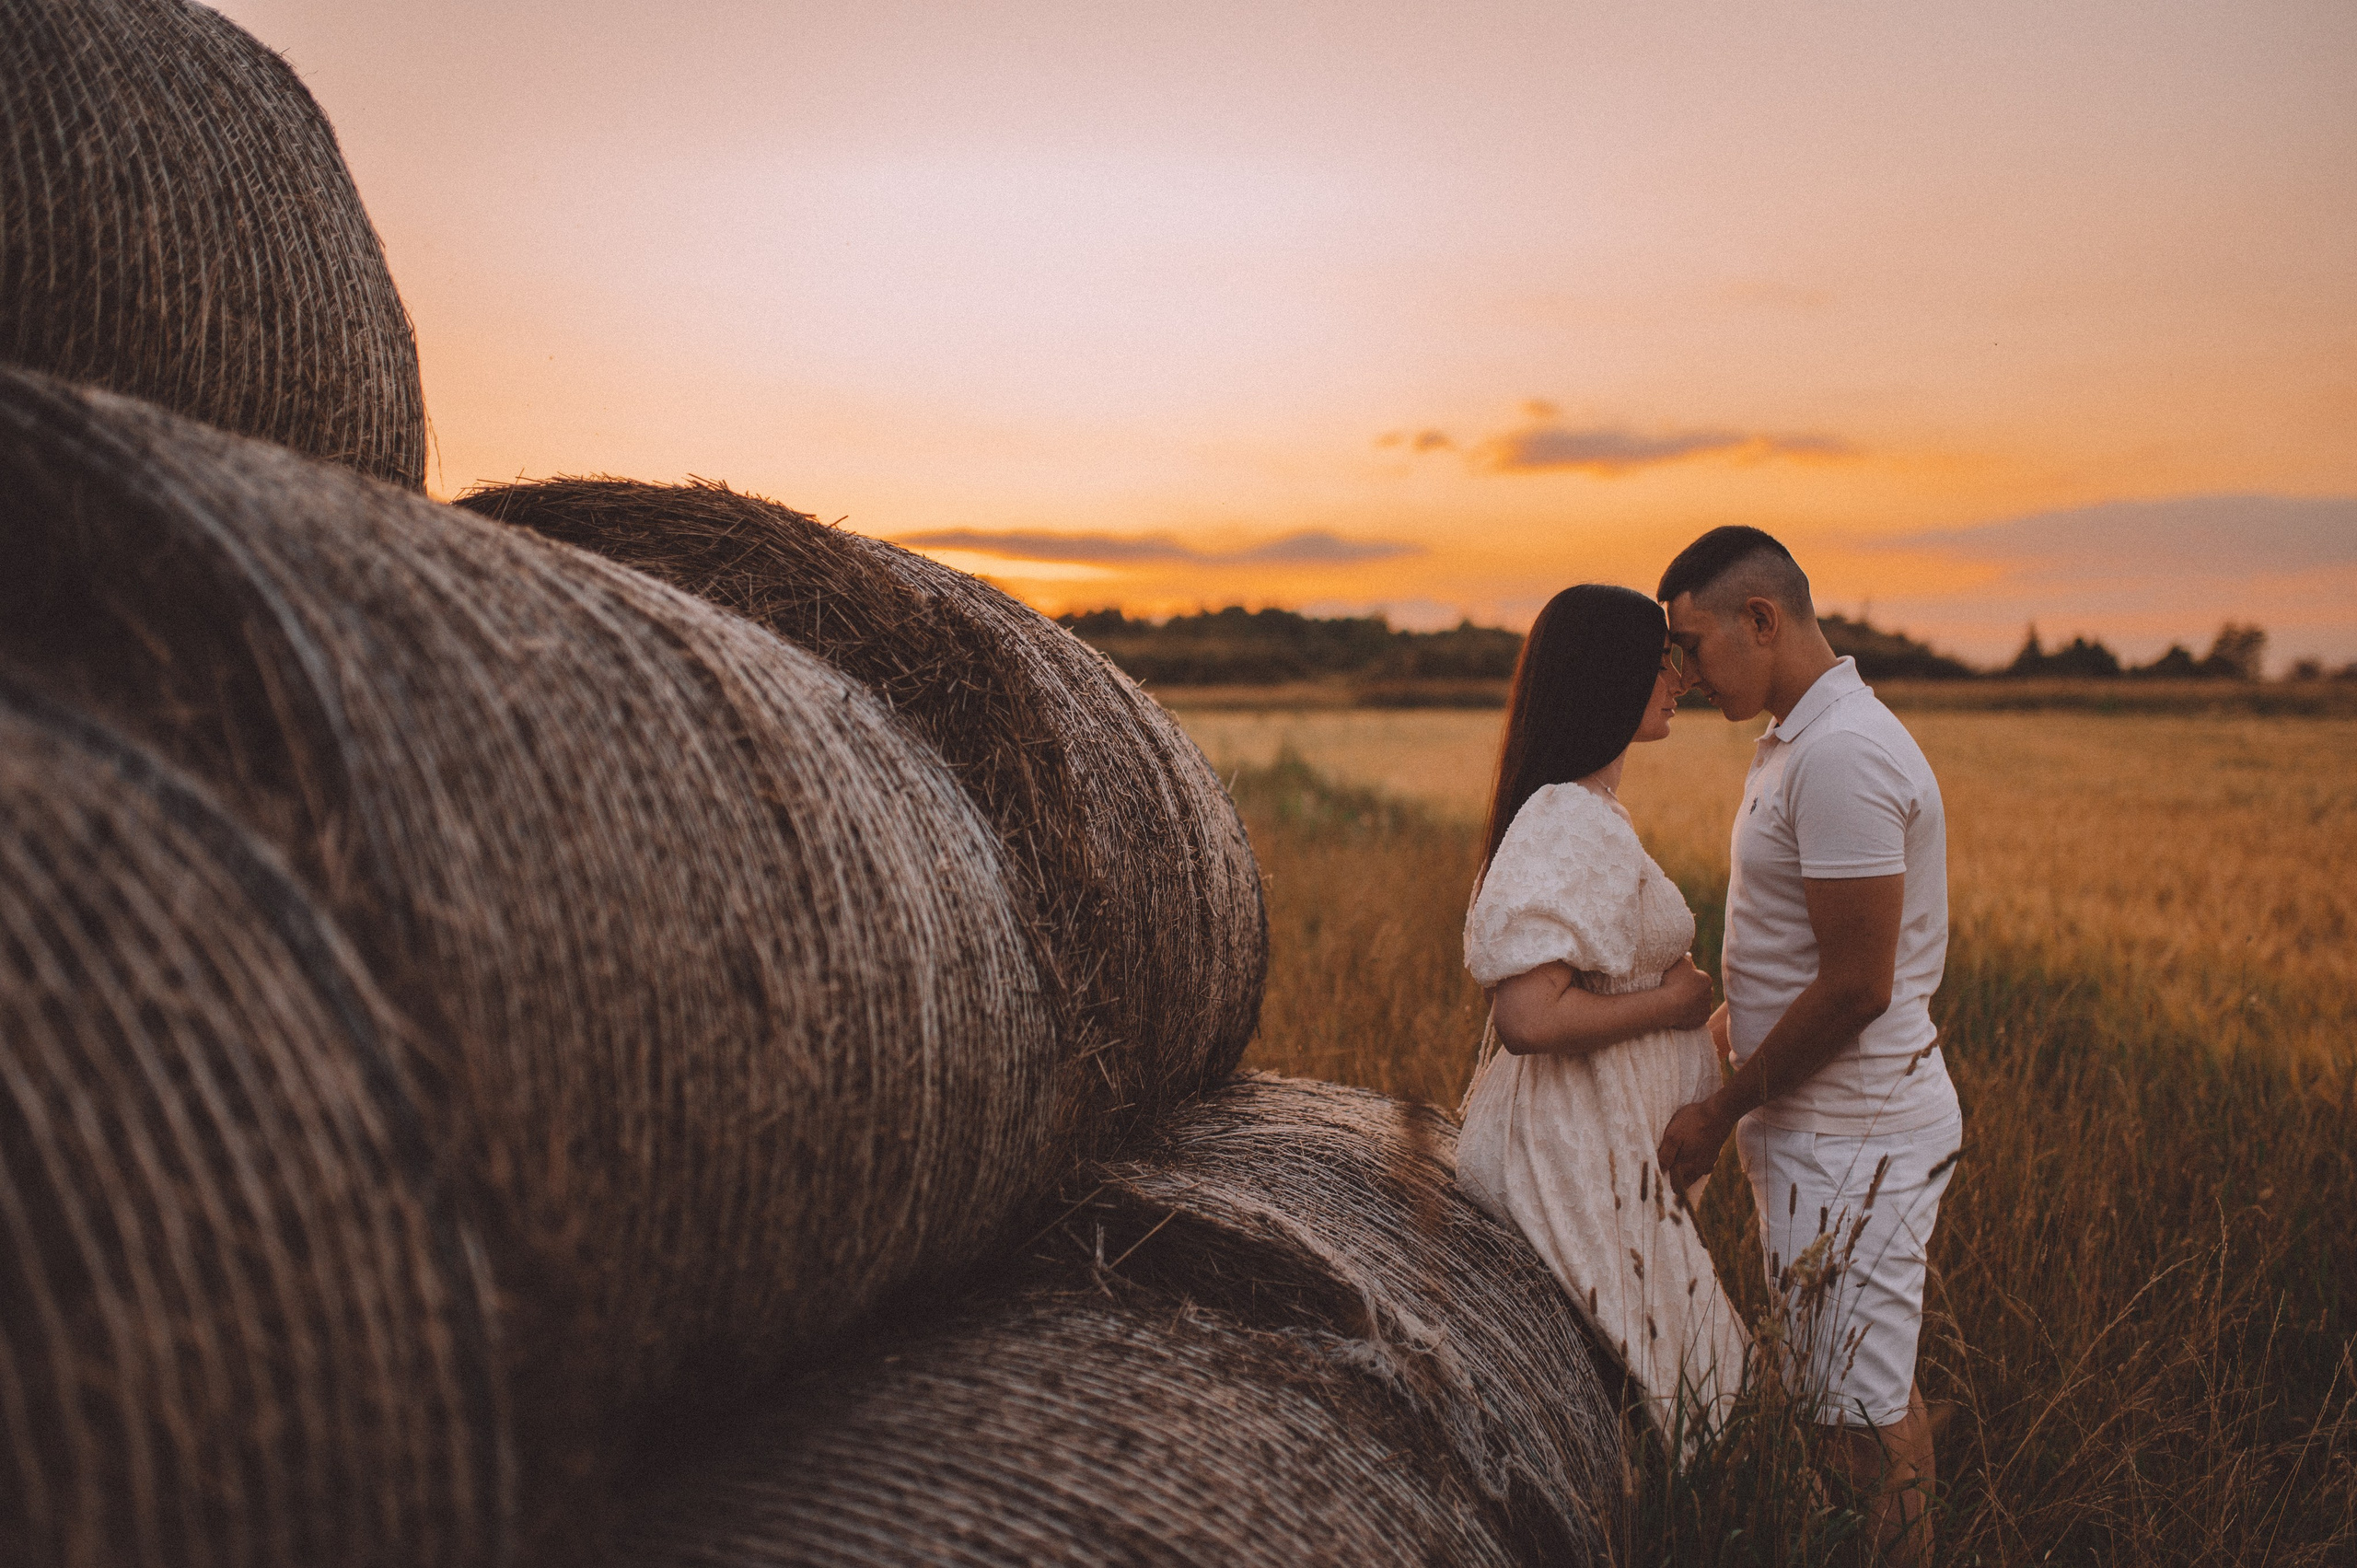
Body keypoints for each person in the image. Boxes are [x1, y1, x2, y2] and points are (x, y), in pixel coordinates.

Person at [1653, 527, 1964, 1567]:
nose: (1684, 676)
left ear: (1760, 619)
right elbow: (1793, 961)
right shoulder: (1798, 740)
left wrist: (1721, 1105)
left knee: (1856, 1428)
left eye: (1691, 645)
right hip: (1827, 1129)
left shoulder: (1842, 753)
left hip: (1851, 1136)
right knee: (1860, 1396)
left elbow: (1855, 986)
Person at [1457, 582, 1749, 1441]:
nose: (1680, 678)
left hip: (1599, 1140)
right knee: (1701, 1389)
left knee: (1695, 1382)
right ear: (1609, 675)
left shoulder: (1585, 810)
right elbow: (1530, 1019)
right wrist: (1672, 1003)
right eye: (1663, 659)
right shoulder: (1563, 816)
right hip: (1569, 1148)